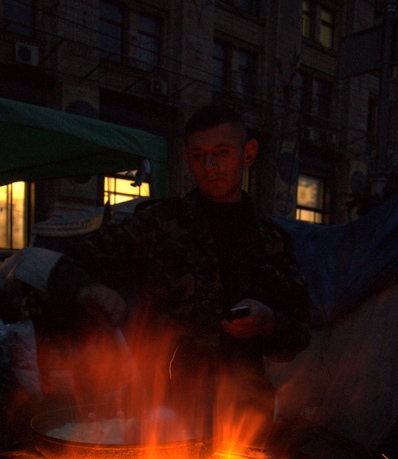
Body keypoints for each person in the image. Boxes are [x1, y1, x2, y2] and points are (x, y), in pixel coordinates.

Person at [48, 104, 313, 435]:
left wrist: (268, 322)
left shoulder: (272, 241)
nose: (210, 166)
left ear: (248, 154)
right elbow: (69, 266)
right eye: (199, 155)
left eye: (221, 152)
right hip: (165, 413)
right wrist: (90, 290)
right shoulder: (160, 225)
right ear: (188, 160)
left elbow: (301, 331)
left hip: (245, 416)